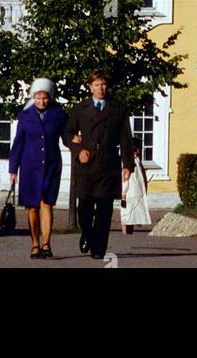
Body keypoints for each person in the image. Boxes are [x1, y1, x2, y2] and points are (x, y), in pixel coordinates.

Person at [64, 70, 135, 260]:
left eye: (103, 84)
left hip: (108, 162)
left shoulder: (118, 108)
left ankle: (99, 248)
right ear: (90, 87)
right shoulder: (80, 108)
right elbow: (68, 133)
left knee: (104, 208)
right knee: (85, 207)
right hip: (86, 164)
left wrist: (127, 164)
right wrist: (78, 150)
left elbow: (126, 138)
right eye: (96, 85)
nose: (100, 88)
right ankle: (87, 233)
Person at [8, 77, 67, 259]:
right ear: (33, 97)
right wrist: (13, 170)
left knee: (47, 204)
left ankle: (47, 244)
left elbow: (67, 137)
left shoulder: (59, 115)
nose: (42, 101)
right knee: (32, 206)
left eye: (45, 98)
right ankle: (35, 244)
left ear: (50, 97)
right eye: (38, 98)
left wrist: (78, 142)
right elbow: (18, 143)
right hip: (29, 167)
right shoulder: (25, 116)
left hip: (51, 166)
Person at [120, 141, 152, 234]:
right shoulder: (129, 162)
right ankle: (125, 235)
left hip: (135, 192)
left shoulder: (136, 160)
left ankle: (129, 234)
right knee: (126, 215)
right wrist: (123, 194)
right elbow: (125, 179)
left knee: (132, 216)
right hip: (129, 193)